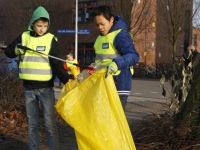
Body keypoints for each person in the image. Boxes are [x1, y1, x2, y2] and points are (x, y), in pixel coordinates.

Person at [2, 6, 70, 150]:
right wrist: (16, 49)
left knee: (49, 124)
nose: (41, 29)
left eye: (45, 26)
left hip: (46, 89)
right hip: (29, 89)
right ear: (32, 23)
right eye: (39, 25)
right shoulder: (24, 37)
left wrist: (67, 80)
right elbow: (8, 51)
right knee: (32, 124)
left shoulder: (51, 39)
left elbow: (56, 64)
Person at [92, 5, 139, 111]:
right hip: (103, 85)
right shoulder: (99, 39)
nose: (100, 27)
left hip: (119, 86)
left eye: (102, 24)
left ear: (111, 20)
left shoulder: (120, 35)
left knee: (115, 122)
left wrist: (116, 64)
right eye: (97, 25)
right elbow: (98, 62)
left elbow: (134, 56)